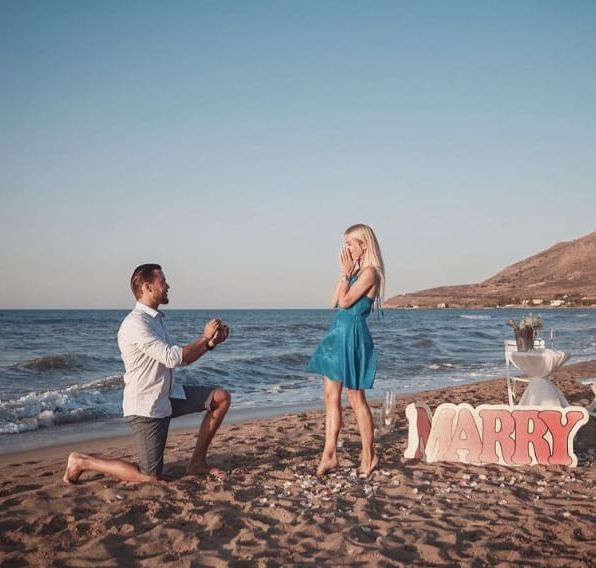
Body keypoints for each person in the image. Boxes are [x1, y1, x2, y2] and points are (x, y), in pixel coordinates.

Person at [63, 264, 231, 483]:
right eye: (163, 282)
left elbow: (182, 358)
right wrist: (204, 338)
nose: (168, 286)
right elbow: (173, 357)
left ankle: (197, 463)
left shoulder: (156, 320)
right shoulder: (135, 324)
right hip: (147, 405)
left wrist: (210, 344)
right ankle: (82, 462)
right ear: (147, 287)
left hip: (168, 395)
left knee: (221, 398)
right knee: (150, 477)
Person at [307, 224, 385, 477]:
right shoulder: (354, 272)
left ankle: (369, 455)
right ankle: (329, 454)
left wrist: (345, 274)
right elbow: (333, 302)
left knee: (355, 398)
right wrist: (345, 274)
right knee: (330, 395)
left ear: (363, 244)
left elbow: (345, 301)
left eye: (350, 243)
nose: (346, 248)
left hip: (352, 335)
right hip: (337, 334)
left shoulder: (370, 273)